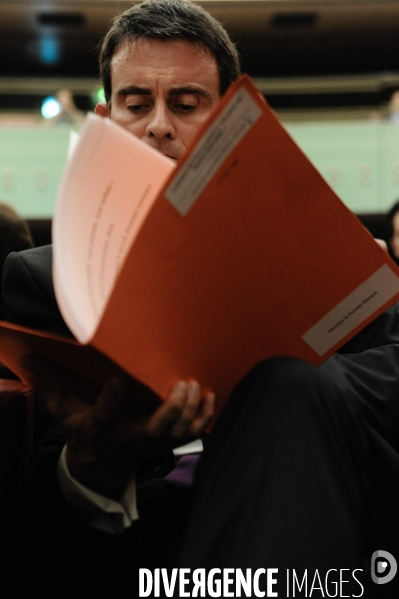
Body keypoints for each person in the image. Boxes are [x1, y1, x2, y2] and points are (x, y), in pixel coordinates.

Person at [2, 1, 399, 598]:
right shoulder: (44, 281)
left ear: (227, 122)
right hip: (144, 550)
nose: (159, 124)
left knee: (289, 388)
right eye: (137, 105)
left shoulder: (313, 257)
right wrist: (88, 469)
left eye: (185, 105)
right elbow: (32, 507)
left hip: (326, 521)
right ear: (106, 122)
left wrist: (269, 386)